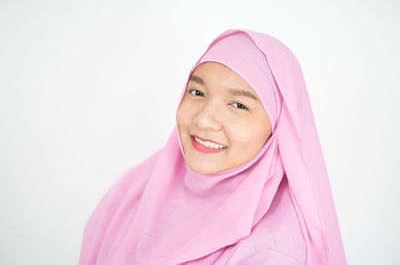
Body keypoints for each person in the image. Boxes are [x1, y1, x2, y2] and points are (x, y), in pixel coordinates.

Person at [79, 28, 347, 265]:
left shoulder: (277, 252)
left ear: (278, 127)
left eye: (239, 105)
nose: (205, 119)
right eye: (197, 92)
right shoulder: (133, 192)